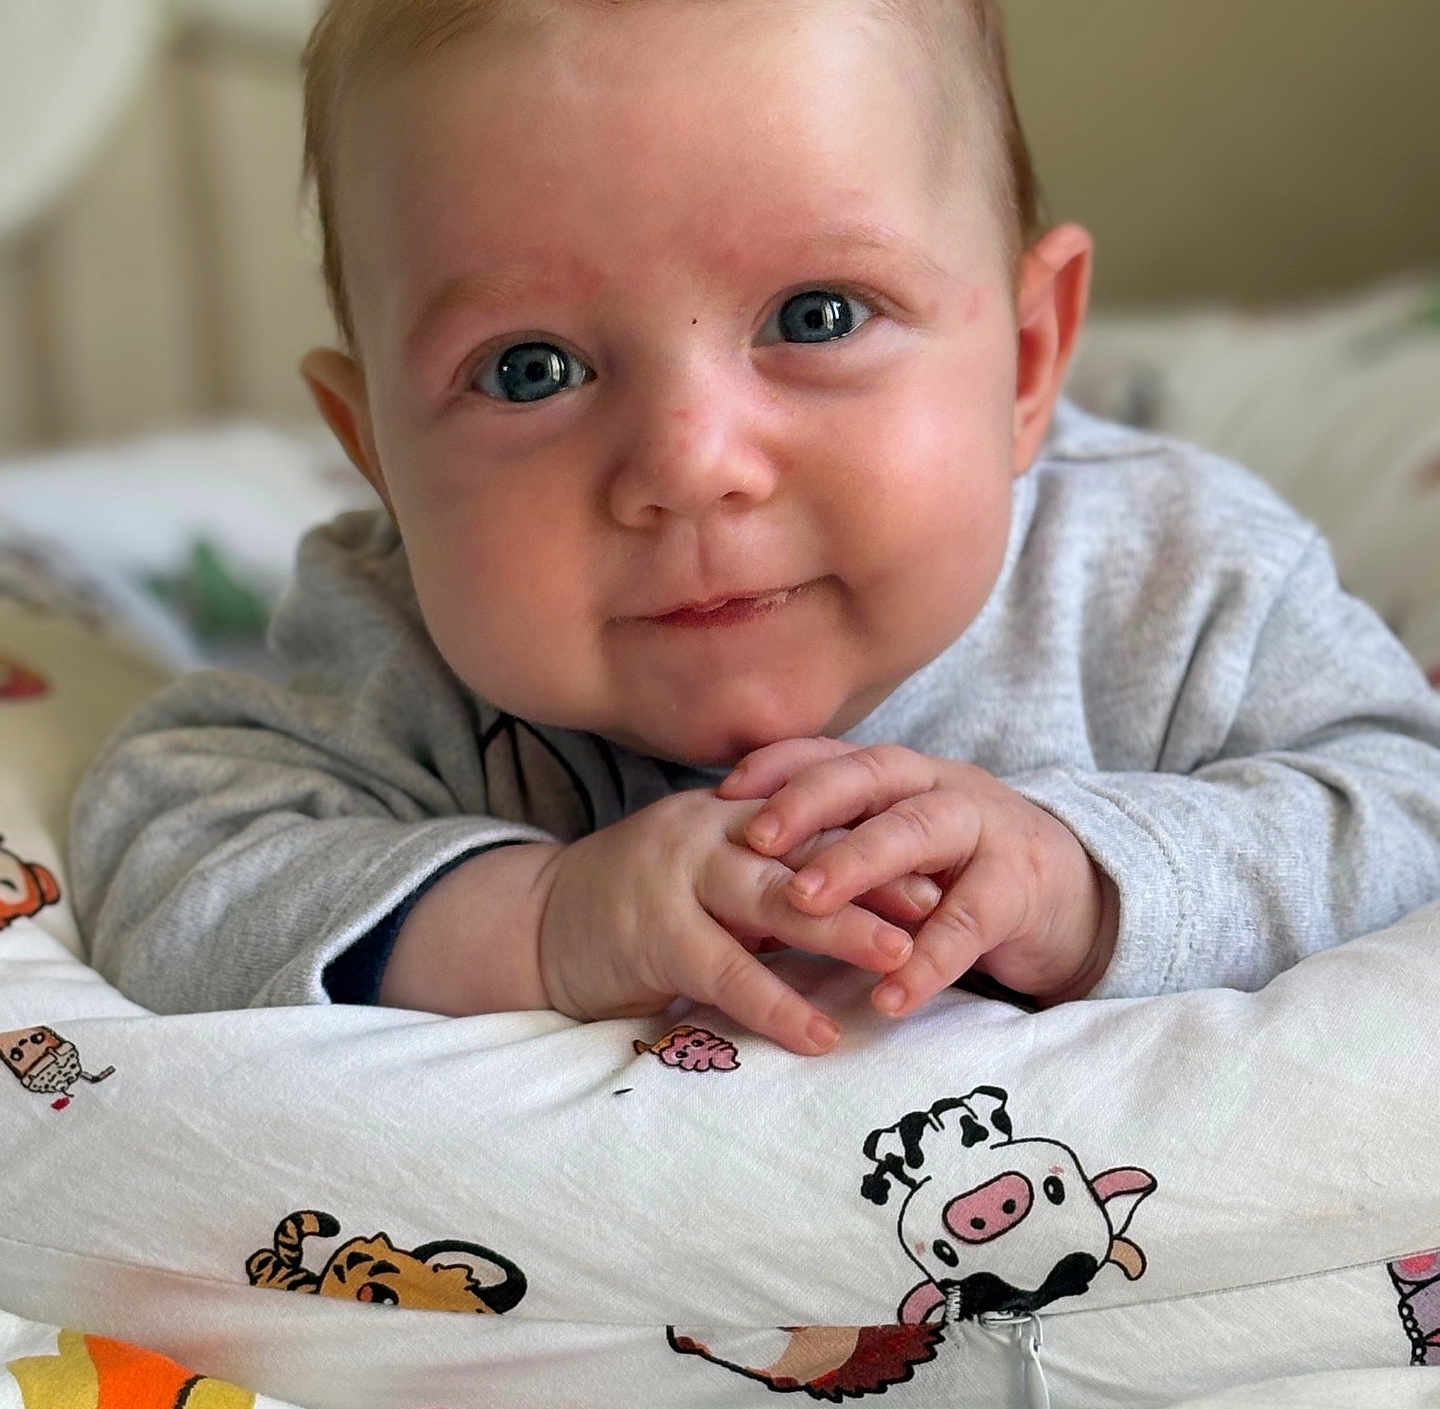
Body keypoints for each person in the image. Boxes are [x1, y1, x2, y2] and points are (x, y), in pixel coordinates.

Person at [69, 0, 1440, 1058]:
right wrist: (541, 921)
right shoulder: (395, 642)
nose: (690, 466)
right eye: (531, 369)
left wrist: (1082, 876)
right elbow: (172, 856)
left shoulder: (1169, 575)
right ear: (377, 454)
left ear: (1027, 362)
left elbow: (1401, 809)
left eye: (817, 316)